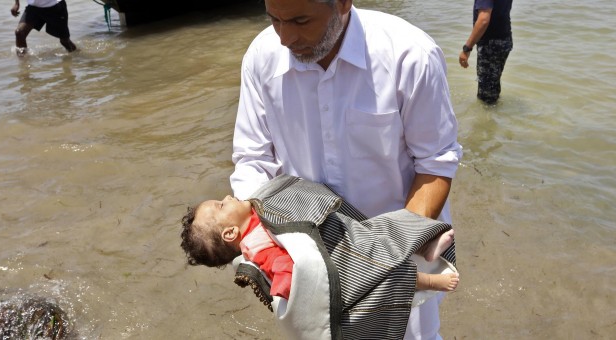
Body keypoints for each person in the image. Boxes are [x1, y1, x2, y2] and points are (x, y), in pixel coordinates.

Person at [230, 0, 462, 338]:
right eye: (275, 20)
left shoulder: (410, 55)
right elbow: (253, 161)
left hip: (402, 251)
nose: (284, 38)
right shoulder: (261, 57)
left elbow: (435, 164)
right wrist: (264, 247)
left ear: (342, 3)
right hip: (307, 259)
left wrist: (389, 260)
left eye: (300, 20)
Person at [180, 195, 460, 297]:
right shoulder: (256, 244)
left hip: (341, 235)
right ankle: (433, 280)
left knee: (381, 233)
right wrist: (282, 290)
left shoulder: (256, 213)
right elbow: (285, 275)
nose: (228, 196)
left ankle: (423, 247)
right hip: (338, 262)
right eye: (221, 205)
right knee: (385, 272)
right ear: (230, 233)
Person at [459, 0, 513, 104]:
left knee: (486, 98)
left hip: (491, 45)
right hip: (504, 40)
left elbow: (483, 19)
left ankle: (488, 119)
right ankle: (497, 116)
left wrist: (467, 48)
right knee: (493, 88)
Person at [10, 0, 77, 56]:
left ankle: (76, 57)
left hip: (55, 6)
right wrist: (17, 3)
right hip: (34, 8)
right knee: (19, 32)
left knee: (65, 41)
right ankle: (23, 66)